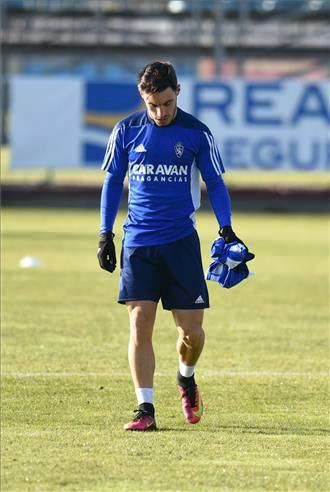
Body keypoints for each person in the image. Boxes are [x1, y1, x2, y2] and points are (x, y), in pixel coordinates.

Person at [97, 61, 244, 431]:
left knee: (191, 333)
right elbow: (113, 181)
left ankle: (186, 377)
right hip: (139, 243)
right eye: (152, 105)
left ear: (177, 91)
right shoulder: (126, 131)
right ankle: (144, 410)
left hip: (181, 243)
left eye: (166, 102)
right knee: (139, 324)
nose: (160, 112)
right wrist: (105, 233)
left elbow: (216, 182)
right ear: (142, 98)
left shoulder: (197, 133)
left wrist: (227, 229)